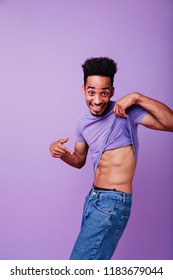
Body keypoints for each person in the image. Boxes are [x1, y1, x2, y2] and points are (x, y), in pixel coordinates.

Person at [49, 57, 173, 260]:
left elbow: (170, 123)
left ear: (112, 92)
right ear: (83, 90)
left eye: (104, 93)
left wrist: (137, 97)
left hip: (113, 202)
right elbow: (79, 160)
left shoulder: (126, 112)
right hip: (93, 199)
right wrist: (60, 153)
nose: (97, 100)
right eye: (91, 92)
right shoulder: (82, 123)